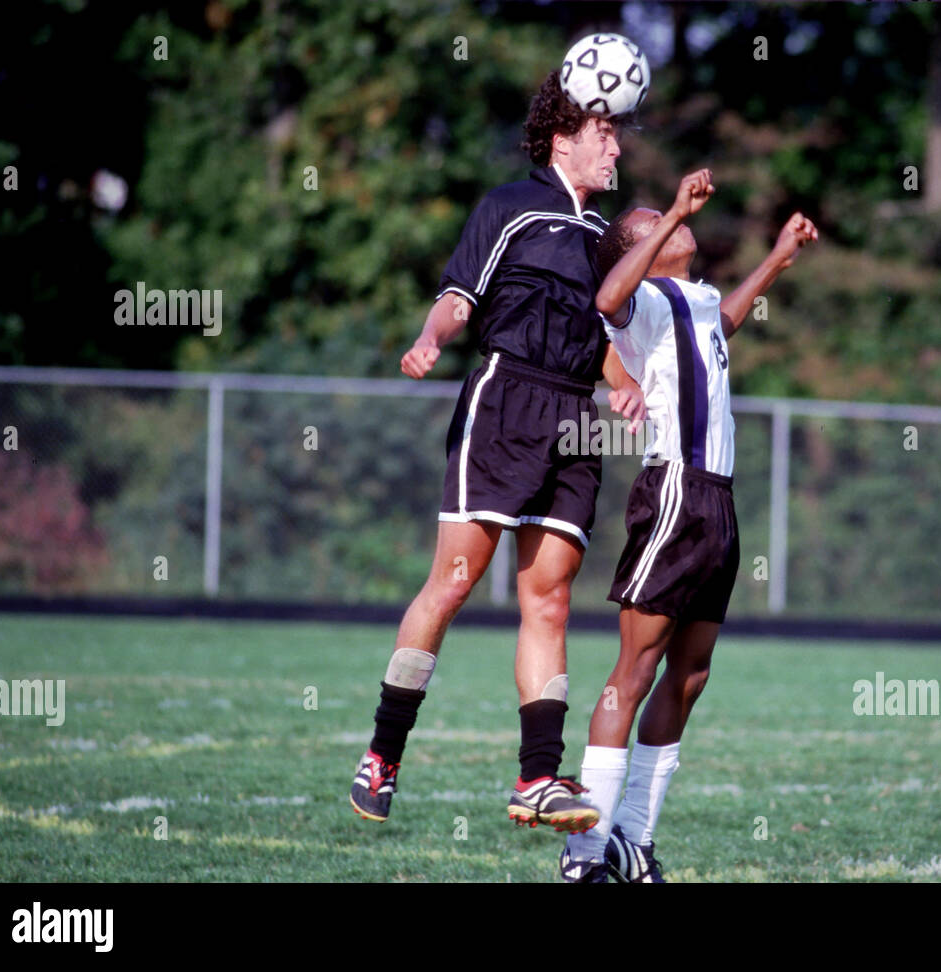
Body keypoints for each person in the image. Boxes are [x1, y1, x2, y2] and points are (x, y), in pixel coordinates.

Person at [348, 71, 646, 834]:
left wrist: (624, 385)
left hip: (574, 420)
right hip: (505, 400)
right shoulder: (509, 207)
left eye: (618, 132)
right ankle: (383, 753)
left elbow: (601, 334)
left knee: (547, 598)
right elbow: (458, 297)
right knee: (452, 583)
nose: (616, 145)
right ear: (564, 140)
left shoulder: (606, 236)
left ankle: (538, 779)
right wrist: (427, 338)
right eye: (603, 132)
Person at [559, 169, 818, 881]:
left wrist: (776, 258)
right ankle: (584, 847)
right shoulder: (638, 296)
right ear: (641, 245)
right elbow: (605, 296)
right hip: (673, 488)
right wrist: (671, 208)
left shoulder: (695, 297)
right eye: (654, 222)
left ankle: (633, 839)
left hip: (718, 499)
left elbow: (723, 321)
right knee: (634, 670)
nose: (676, 225)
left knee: (691, 673)